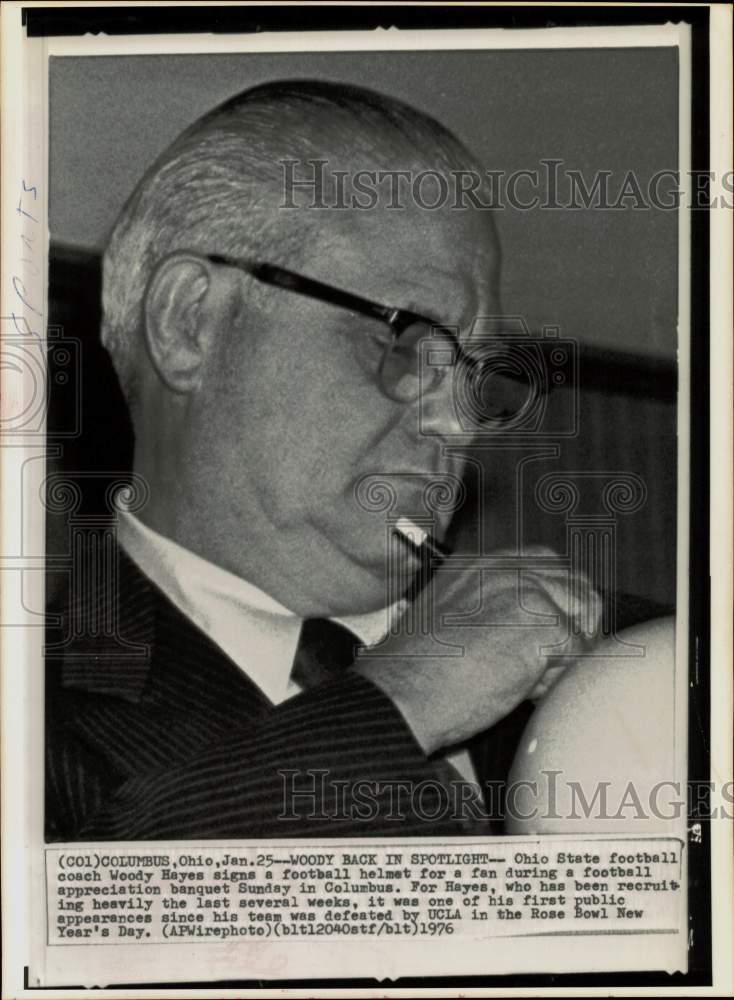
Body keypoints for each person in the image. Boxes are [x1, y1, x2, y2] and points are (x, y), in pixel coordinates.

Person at [45, 80, 607, 841]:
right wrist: (397, 704)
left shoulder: (636, 662)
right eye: (405, 339)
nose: (460, 423)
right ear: (190, 324)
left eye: (477, 373)